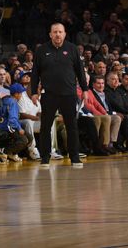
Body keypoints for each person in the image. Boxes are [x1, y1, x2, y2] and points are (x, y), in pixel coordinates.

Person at [31, 22, 88, 168]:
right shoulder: (41, 50)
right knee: (46, 127)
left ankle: (74, 157)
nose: (57, 34)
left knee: (72, 126)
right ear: (50, 34)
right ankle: (45, 157)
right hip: (49, 94)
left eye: (60, 32)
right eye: (55, 32)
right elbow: (35, 73)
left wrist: (85, 89)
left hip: (69, 94)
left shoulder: (72, 49)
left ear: (64, 34)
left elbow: (80, 71)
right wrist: (33, 92)